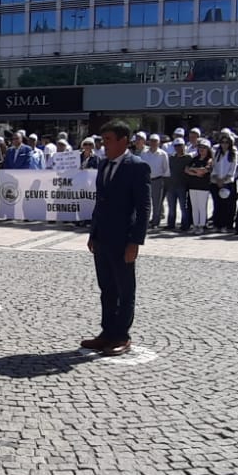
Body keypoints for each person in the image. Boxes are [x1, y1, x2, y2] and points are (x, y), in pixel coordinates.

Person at [82, 121, 150, 357]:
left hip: (123, 239)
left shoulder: (137, 167)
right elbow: (100, 202)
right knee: (107, 288)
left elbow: (143, 208)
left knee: (124, 288)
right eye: (102, 141)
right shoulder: (103, 164)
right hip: (102, 238)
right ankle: (107, 332)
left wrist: (135, 242)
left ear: (123, 140)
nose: (104, 146)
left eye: (108, 140)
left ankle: (122, 335)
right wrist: (93, 233)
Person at [183, 140, 213, 234]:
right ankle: (195, 225)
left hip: (203, 187)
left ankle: (201, 225)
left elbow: (204, 171)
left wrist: (193, 170)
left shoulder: (209, 160)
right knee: (194, 206)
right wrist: (195, 173)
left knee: (201, 207)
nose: (201, 149)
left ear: (208, 149)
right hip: (193, 186)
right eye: (200, 147)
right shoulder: (195, 159)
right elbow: (186, 169)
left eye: (204, 148)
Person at [140, 134, 170, 229]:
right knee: (146, 202)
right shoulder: (144, 153)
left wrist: (164, 181)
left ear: (159, 143)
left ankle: (155, 222)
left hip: (158, 180)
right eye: (152, 141)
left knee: (157, 203)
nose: (153, 143)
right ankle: (145, 221)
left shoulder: (163, 154)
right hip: (146, 180)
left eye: (155, 141)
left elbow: (166, 168)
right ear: (148, 142)